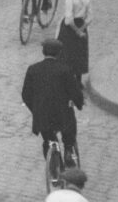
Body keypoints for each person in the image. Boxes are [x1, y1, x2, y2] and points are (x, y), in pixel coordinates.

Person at [21, 39, 84, 167]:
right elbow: (75, 92)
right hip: (62, 115)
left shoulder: (33, 69)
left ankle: (54, 167)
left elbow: (26, 95)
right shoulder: (65, 70)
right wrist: (79, 103)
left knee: (48, 140)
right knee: (69, 134)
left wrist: (36, 109)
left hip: (43, 116)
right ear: (59, 53)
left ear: (43, 52)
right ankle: (68, 151)